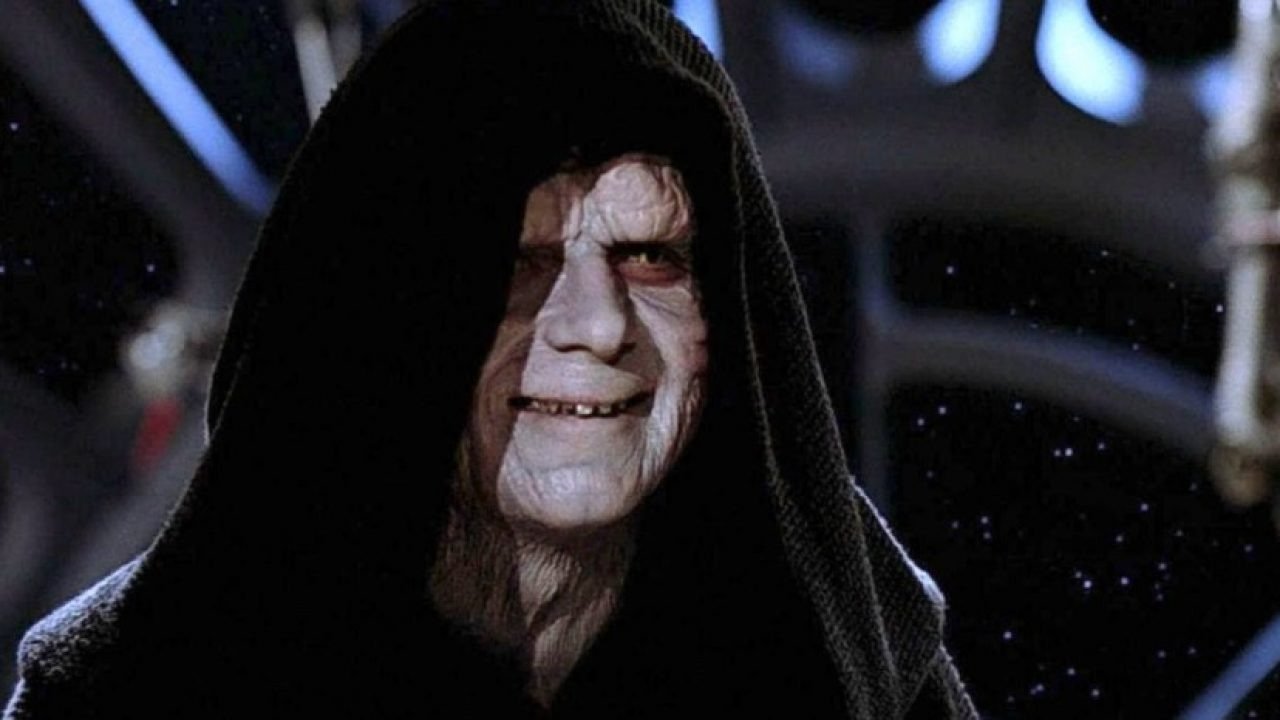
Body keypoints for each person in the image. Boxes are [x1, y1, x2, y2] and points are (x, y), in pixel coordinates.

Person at [3, 1, 977, 717]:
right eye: (517, 264)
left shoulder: (859, 650)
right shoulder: (125, 690)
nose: (597, 325)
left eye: (650, 258)